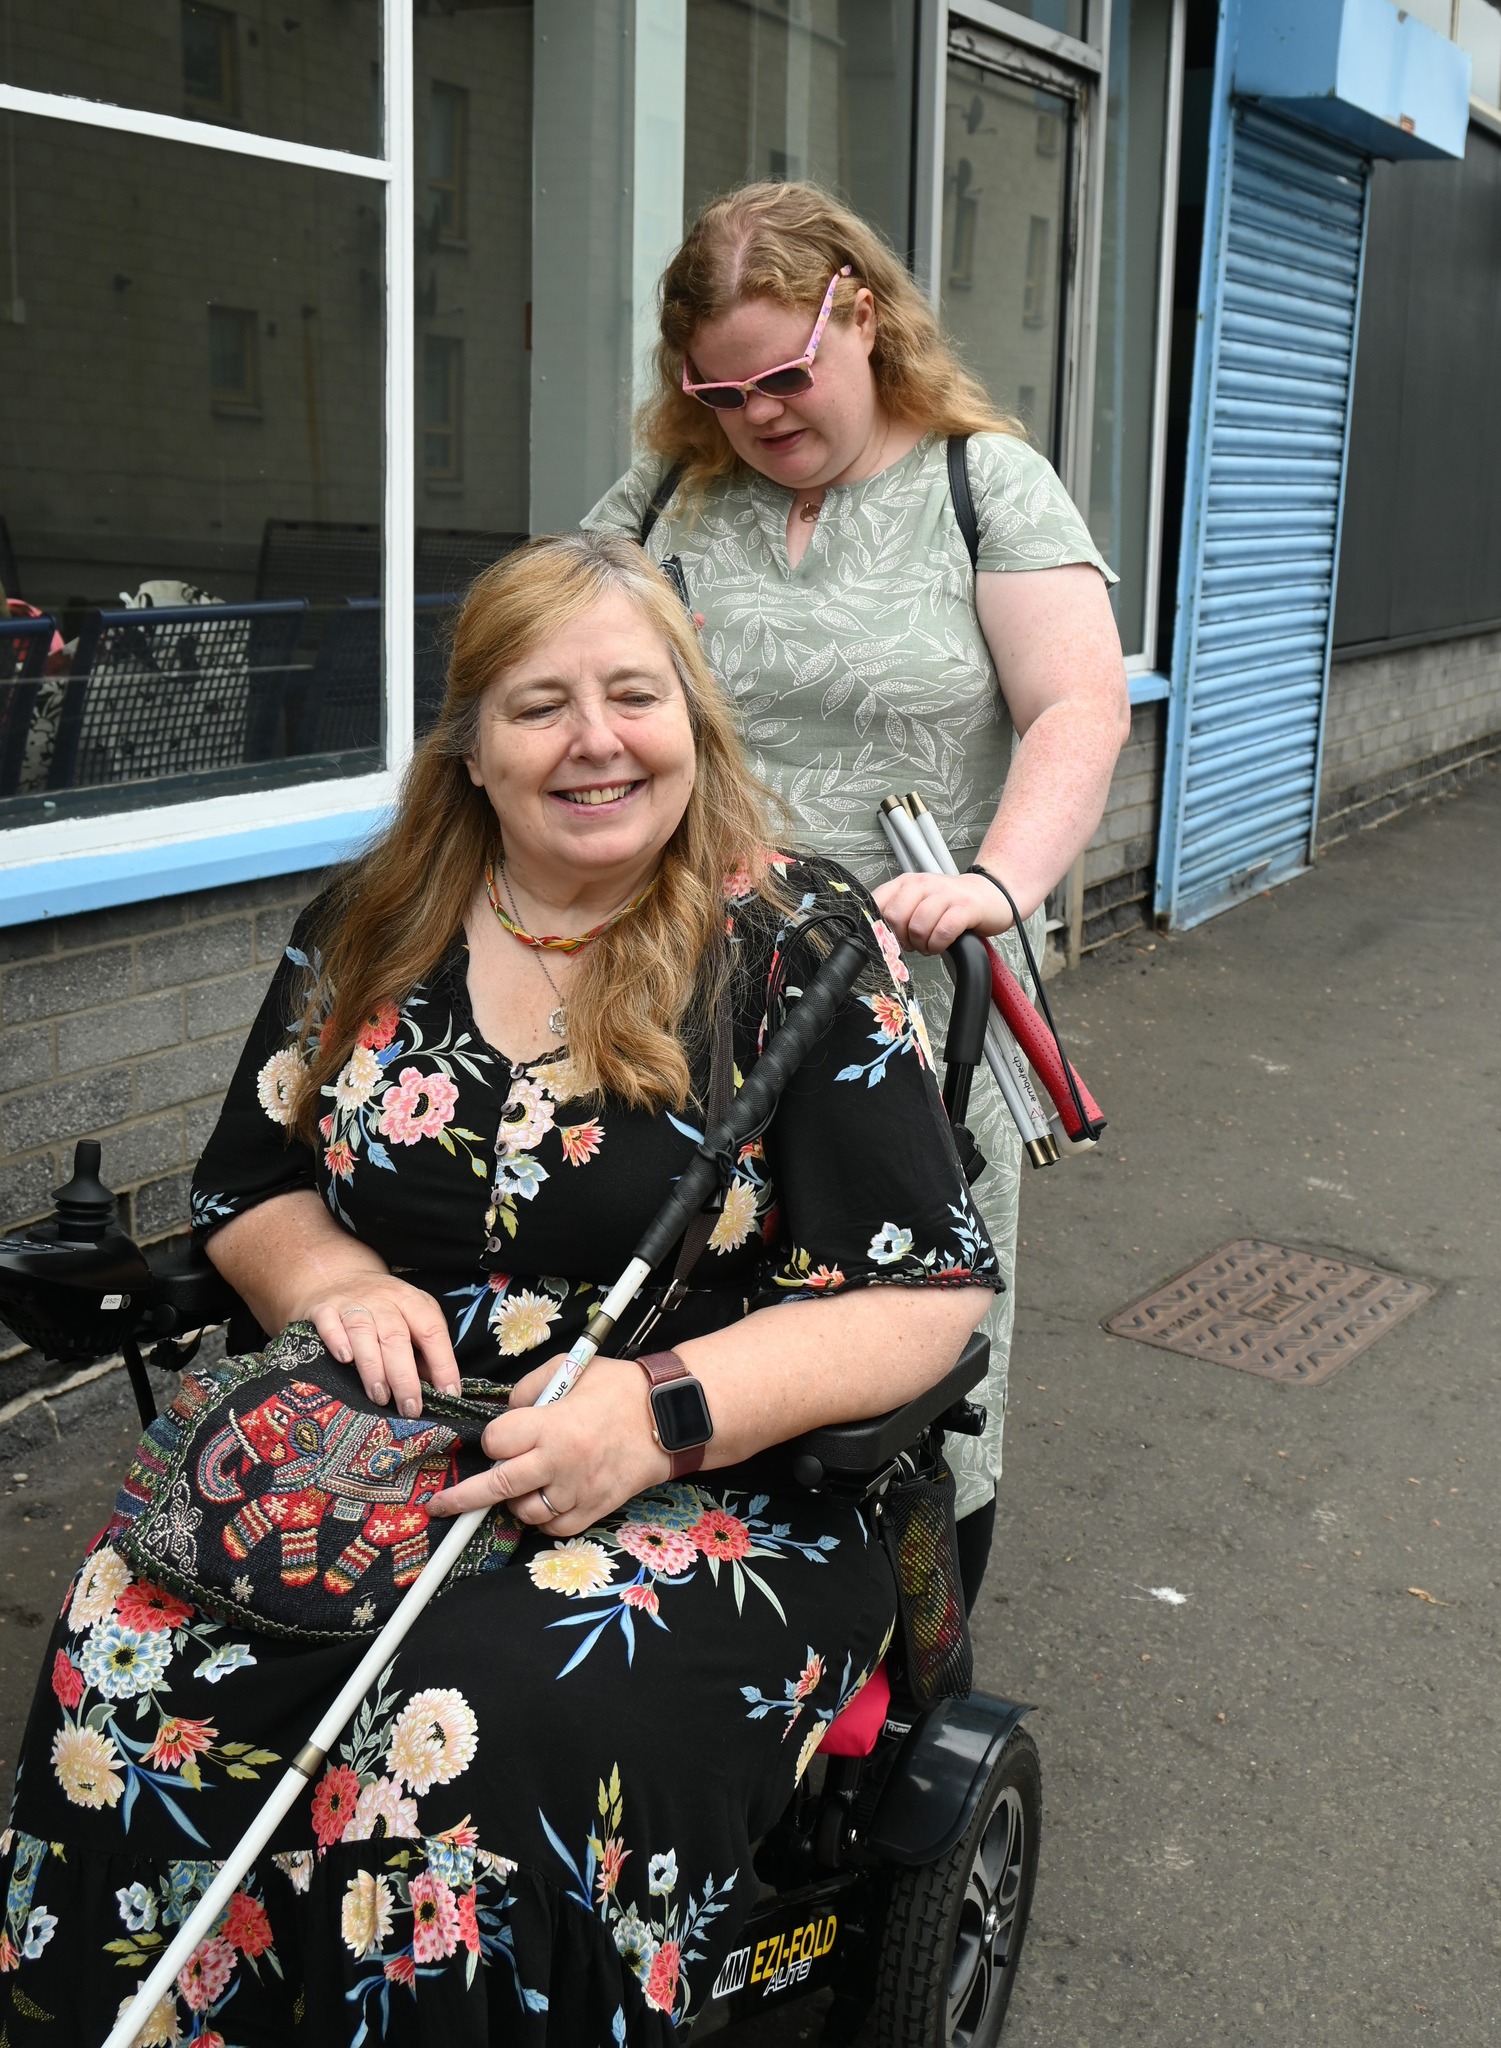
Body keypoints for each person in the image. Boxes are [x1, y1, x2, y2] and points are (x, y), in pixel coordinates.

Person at [0, 534, 998, 2045]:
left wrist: (653, 1415)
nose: (596, 741)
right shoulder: (374, 921)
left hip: (702, 1477)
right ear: (471, 749)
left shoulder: (790, 945)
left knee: (450, 1741)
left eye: (634, 696)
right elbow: (243, 1189)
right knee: (132, 1638)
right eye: (541, 705)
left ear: (692, 720)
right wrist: (330, 1274)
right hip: (367, 1443)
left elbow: (927, 1294)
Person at [585, 181, 1131, 1594]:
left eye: (784, 375)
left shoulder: (979, 483)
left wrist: (999, 882)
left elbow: (1077, 705)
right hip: (676, 980)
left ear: (862, 317)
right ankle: (694, 1623)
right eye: (720, 392)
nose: (758, 415)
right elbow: (554, 660)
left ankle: (918, 1637)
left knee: (906, 1313)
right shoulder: (667, 497)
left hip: (905, 985)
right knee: (681, 1290)